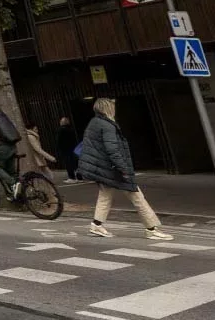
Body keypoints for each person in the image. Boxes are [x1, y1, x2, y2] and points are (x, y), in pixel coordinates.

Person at [79, 97, 173, 240]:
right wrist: (123, 168)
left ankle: (97, 225)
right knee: (137, 197)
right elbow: (113, 150)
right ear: (107, 109)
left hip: (103, 168)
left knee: (105, 196)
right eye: (112, 106)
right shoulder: (108, 125)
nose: (114, 109)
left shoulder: (94, 123)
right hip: (113, 169)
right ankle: (152, 229)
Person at [57, 116, 80, 183]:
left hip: (65, 150)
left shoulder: (61, 130)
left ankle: (72, 177)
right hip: (73, 148)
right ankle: (79, 177)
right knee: (76, 163)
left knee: (68, 163)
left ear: (62, 123)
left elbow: (59, 141)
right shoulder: (71, 129)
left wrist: (59, 149)